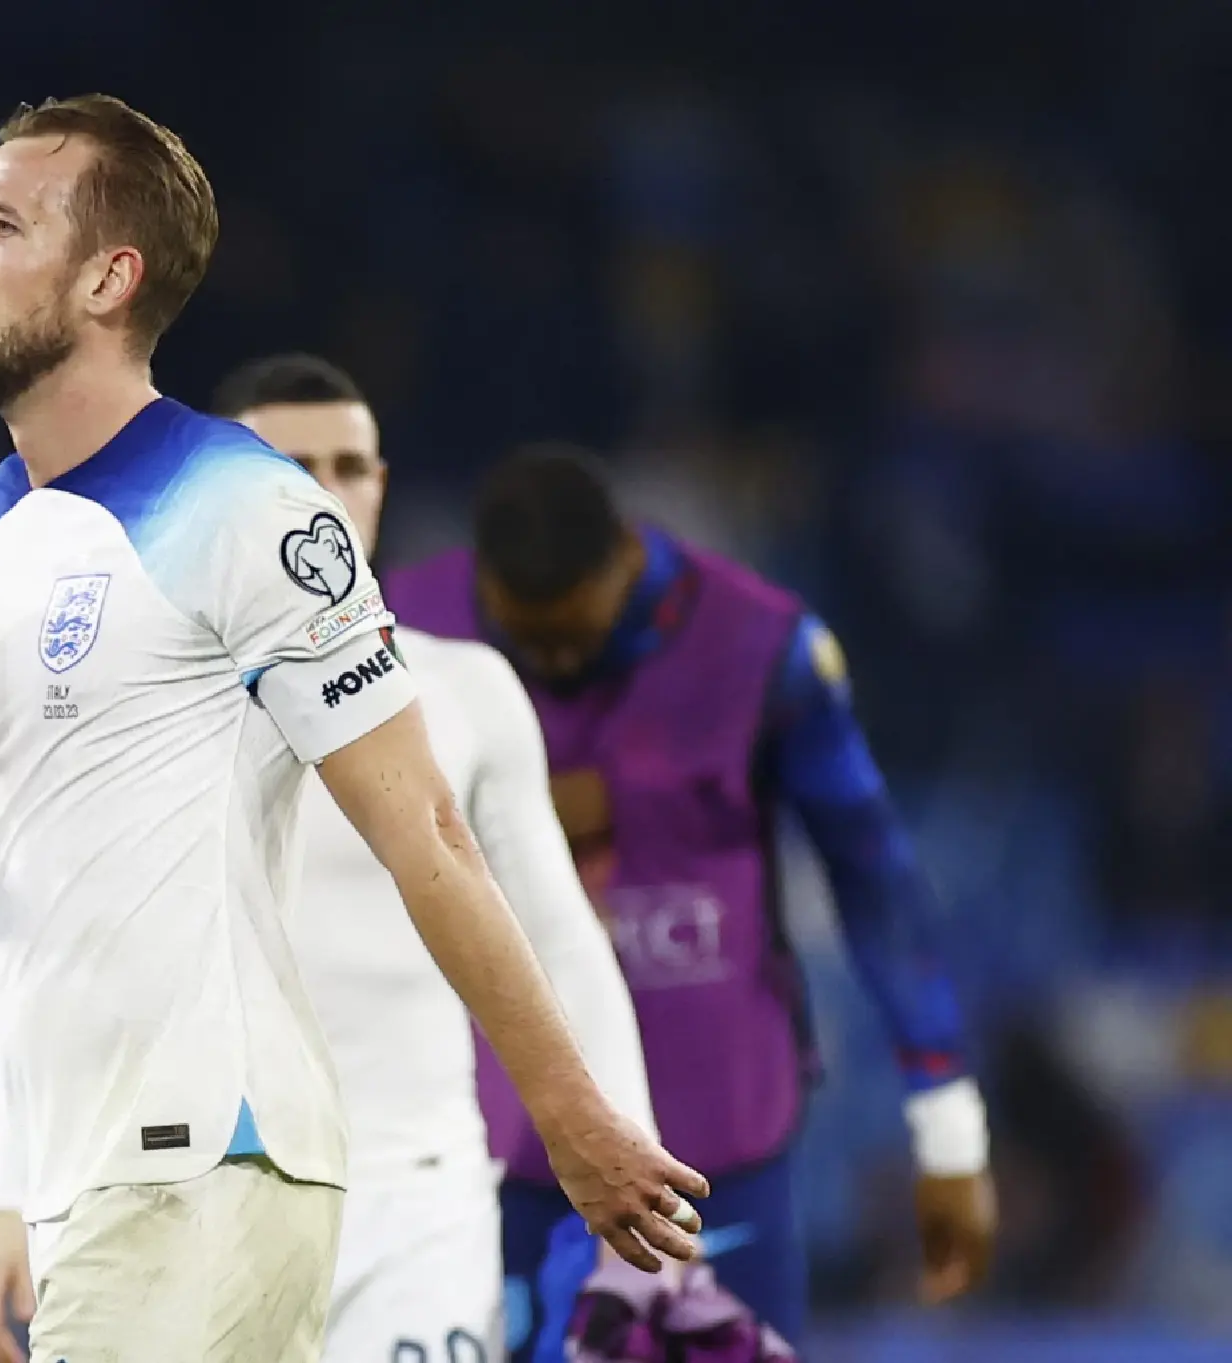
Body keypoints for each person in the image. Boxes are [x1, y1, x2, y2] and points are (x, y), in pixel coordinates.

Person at [0, 95, 706, 1363]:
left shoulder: (246, 505)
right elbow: (27, 846)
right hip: (96, 1171)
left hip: (207, 1153)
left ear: (108, 277)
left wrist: (571, 1116)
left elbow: (423, 825)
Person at [0, 352, 663, 1363]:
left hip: (415, 1204)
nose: (325, 494)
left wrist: (621, 1147)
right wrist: (1, 1202)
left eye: (352, 465)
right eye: (293, 466)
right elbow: (55, 951)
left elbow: (562, 940)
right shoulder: (146, 699)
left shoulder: (467, 693)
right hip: (204, 1187)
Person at [381, 444, 999, 1350]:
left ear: (627, 558)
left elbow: (873, 874)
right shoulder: (400, 631)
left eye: (574, 639)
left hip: (716, 1156)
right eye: (528, 640)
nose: (551, 663)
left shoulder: (761, 649)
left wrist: (949, 1129)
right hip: (490, 1154)